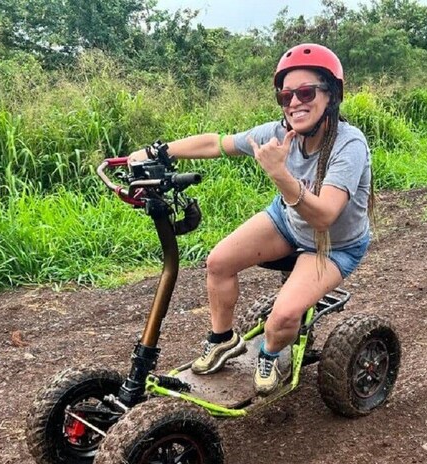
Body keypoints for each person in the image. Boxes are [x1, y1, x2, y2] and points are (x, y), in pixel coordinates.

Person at [128, 43, 374, 396]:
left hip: (334, 244)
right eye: (285, 95)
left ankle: (270, 355)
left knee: (283, 317)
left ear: (331, 95)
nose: (294, 103)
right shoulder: (275, 132)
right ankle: (223, 339)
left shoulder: (349, 145)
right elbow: (217, 143)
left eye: (305, 92)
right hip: (288, 222)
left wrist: (280, 175)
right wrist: (158, 151)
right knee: (219, 262)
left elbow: (325, 216)